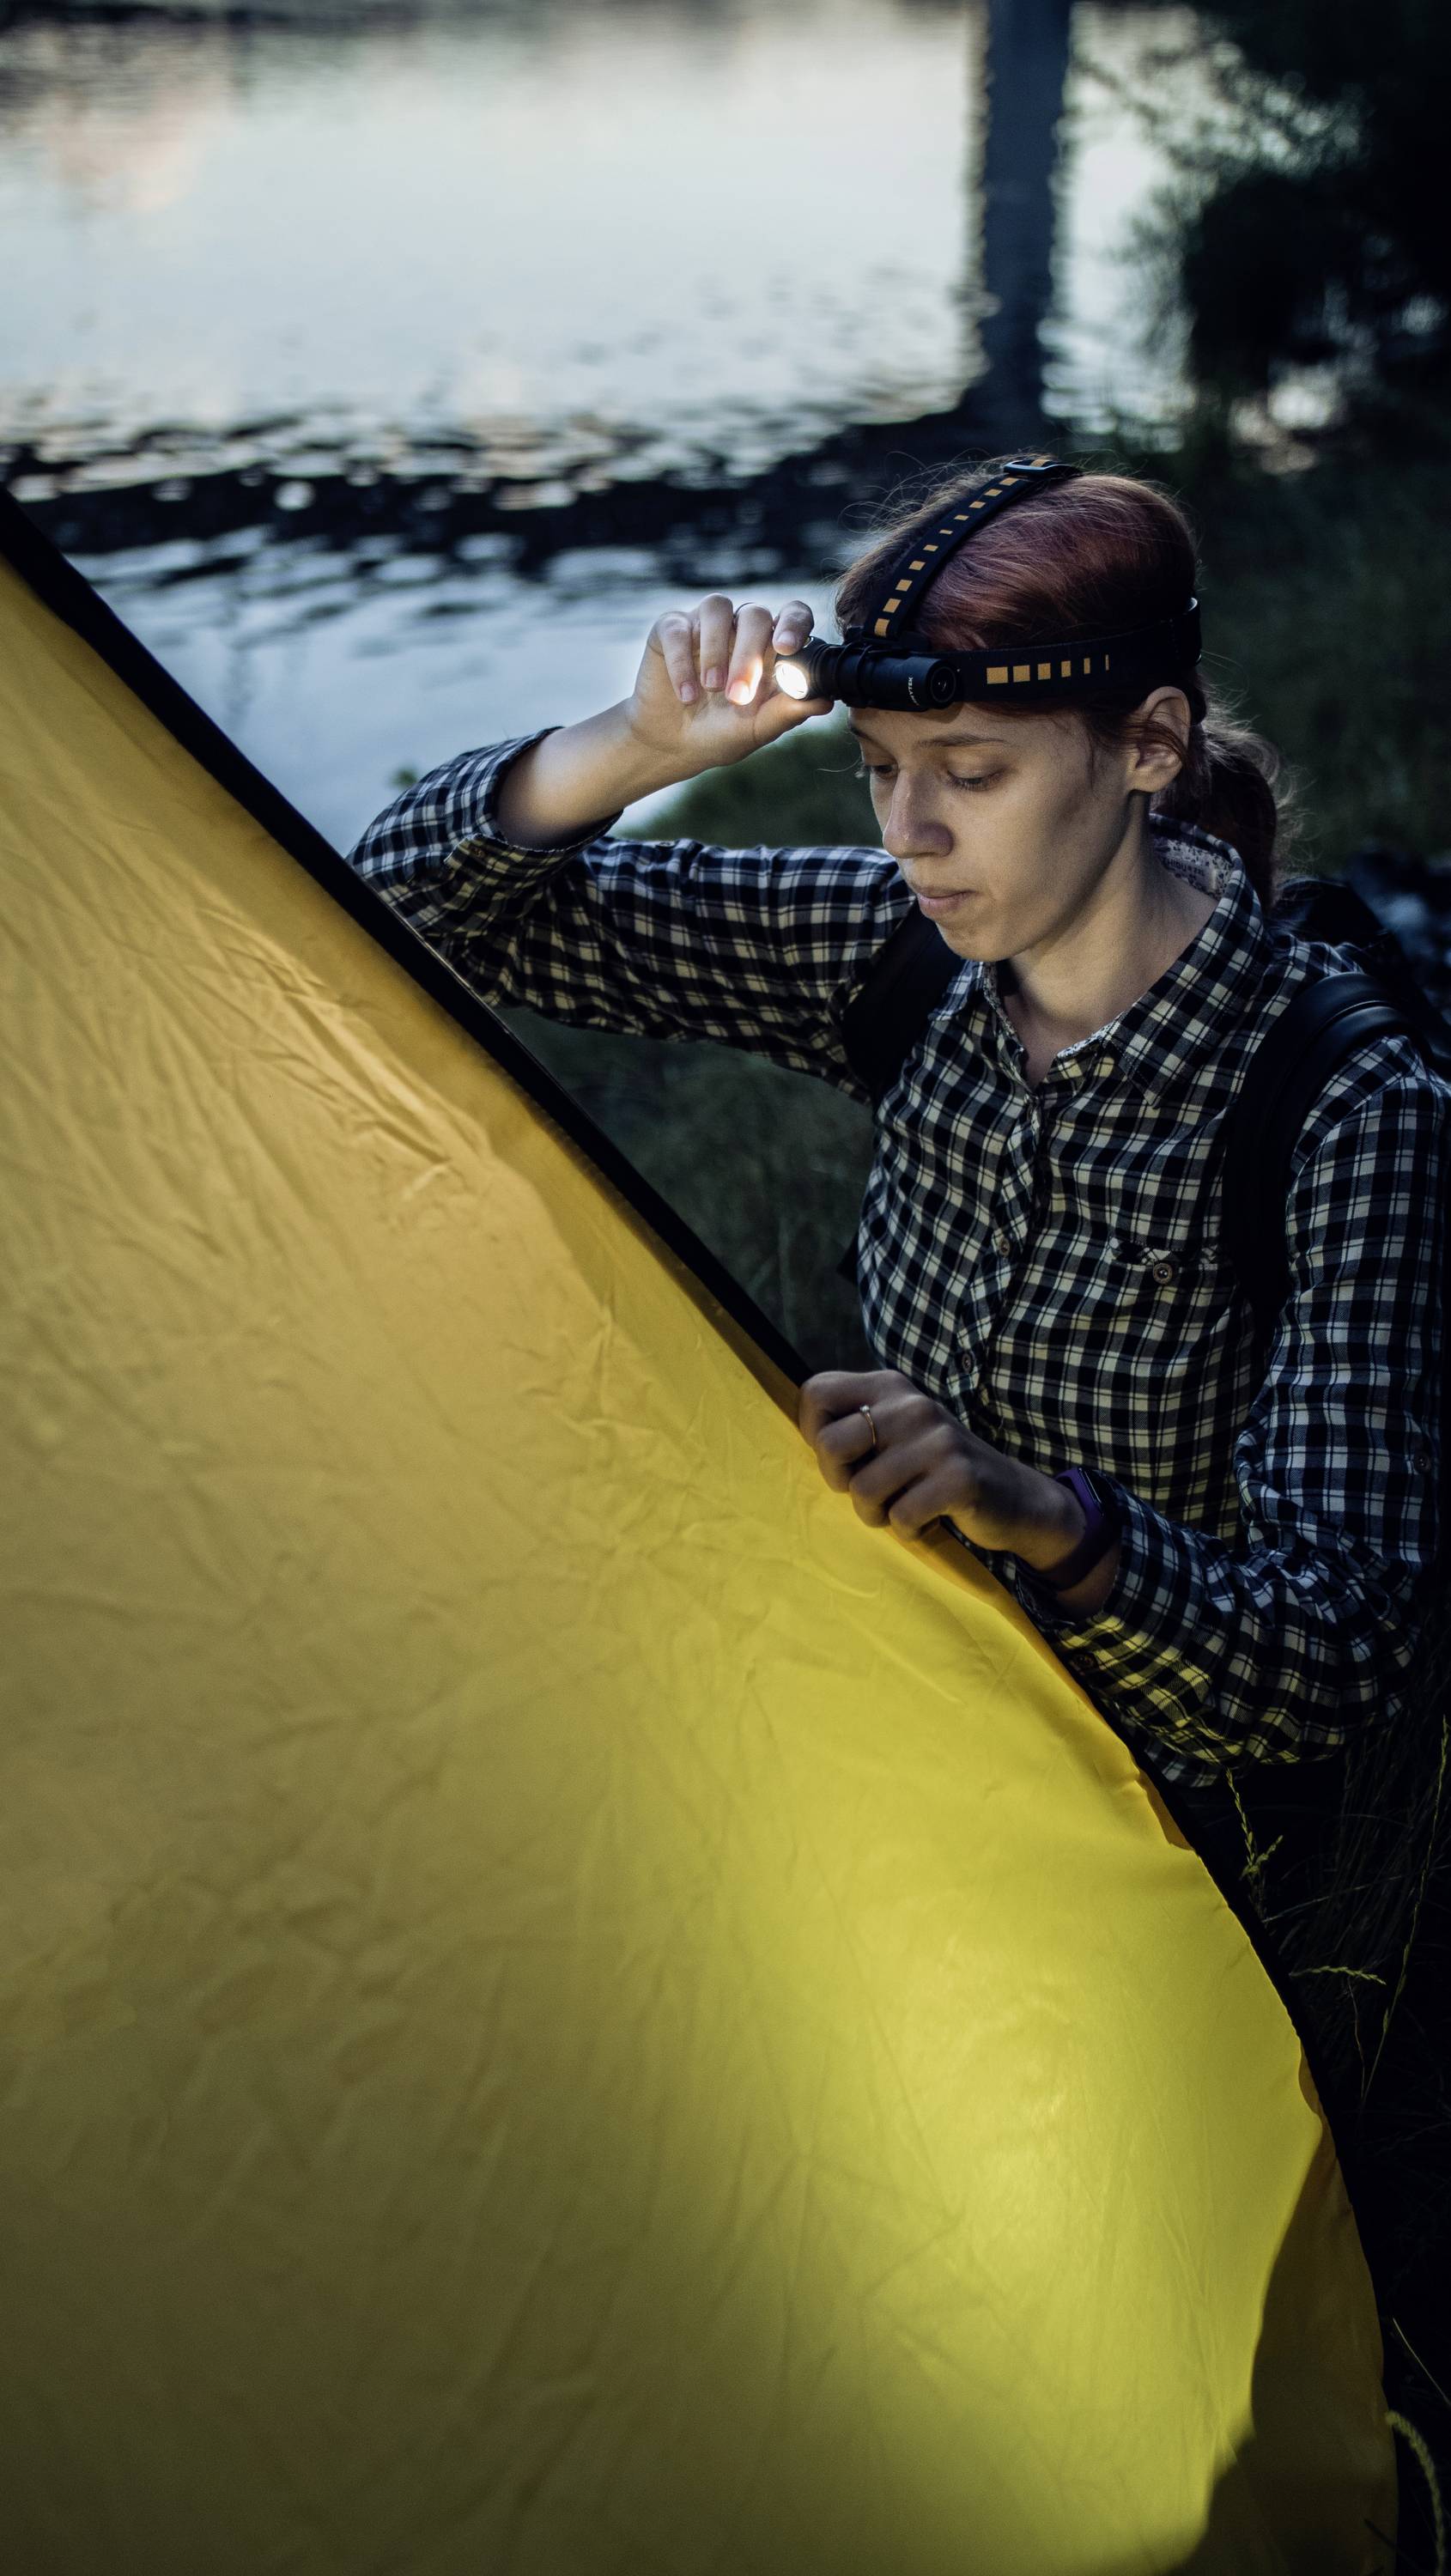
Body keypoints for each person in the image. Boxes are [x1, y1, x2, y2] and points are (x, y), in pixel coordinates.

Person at [348, 459, 1451, 2528]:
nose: (911, 830)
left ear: (1138, 750)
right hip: (872, 1744)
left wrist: (1048, 1515)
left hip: (1175, 1866)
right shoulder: (910, 951)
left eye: (970, 767)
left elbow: (1337, 1657)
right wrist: (640, 747)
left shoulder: (1342, 1113)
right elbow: (410, 901)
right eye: (874, 768)